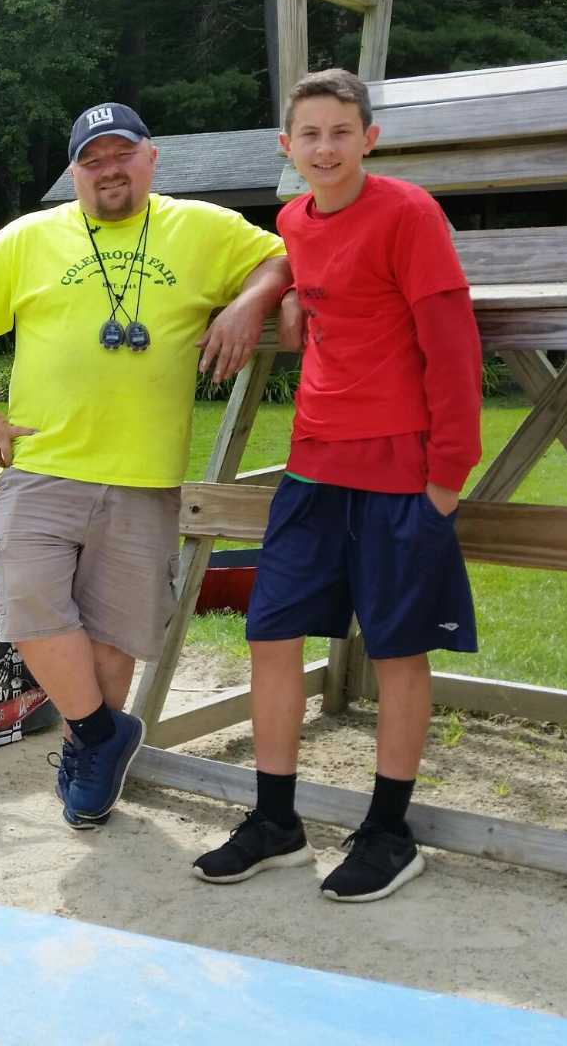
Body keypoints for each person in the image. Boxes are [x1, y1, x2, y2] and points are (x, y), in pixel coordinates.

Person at [0, 102, 293, 830]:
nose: (109, 170)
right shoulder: (29, 238)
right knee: (27, 598)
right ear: (74, 172)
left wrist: (251, 303)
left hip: (144, 473)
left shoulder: (199, 227)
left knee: (113, 630)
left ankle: (84, 759)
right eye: (92, 160)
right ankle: (105, 735)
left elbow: (284, 256)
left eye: (121, 155)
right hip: (44, 461)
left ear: (151, 158)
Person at [192, 68, 481, 903]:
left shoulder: (410, 214)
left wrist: (447, 479)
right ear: (288, 149)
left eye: (340, 132)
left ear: (369, 139)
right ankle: (275, 821)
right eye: (309, 135)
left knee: (396, 650)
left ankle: (390, 831)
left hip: (400, 473)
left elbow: (454, 349)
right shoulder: (292, 218)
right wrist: (275, 293)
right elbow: (296, 256)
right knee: (271, 632)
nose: (325, 147)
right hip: (313, 466)